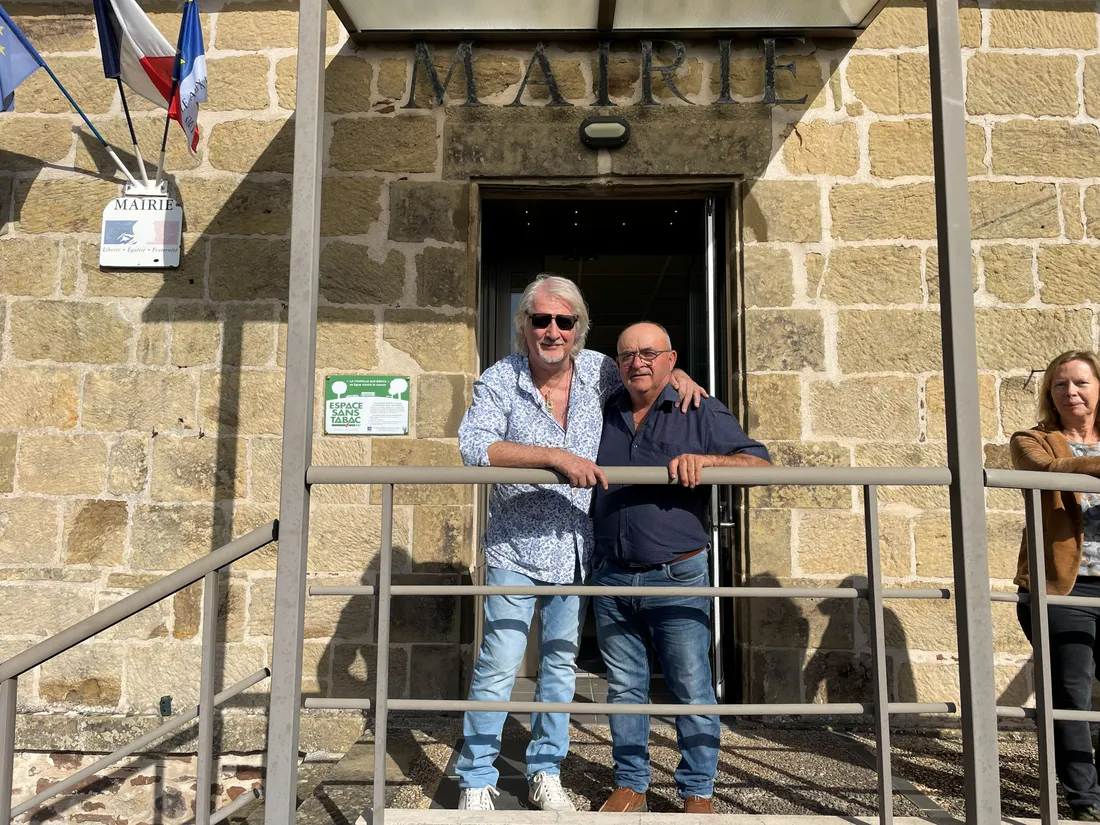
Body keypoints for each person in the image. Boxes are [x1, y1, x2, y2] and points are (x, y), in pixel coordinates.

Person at [455, 276, 705, 812]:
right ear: (523, 325)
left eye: (564, 321)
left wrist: (677, 373)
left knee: (562, 663)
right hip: (516, 547)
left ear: (578, 328)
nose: (552, 330)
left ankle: (546, 770)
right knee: (499, 662)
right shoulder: (501, 378)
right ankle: (476, 775)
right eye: (541, 319)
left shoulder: (598, 371)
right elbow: (475, 447)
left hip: (576, 548)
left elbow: (647, 376)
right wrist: (553, 456)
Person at [591, 322, 770, 815]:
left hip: (677, 572)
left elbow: (760, 464)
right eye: (627, 354)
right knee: (624, 686)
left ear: (671, 359)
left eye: (650, 353)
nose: (637, 362)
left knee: (690, 684)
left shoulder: (698, 408)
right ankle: (631, 785)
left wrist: (706, 461)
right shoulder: (603, 410)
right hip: (611, 572)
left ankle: (697, 791)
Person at [1011, 349, 1100, 822]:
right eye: (1061, 384)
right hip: (1063, 588)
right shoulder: (1035, 439)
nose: (1071, 392)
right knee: (1071, 694)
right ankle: (1085, 799)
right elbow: (1038, 472)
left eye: (1082, 383)